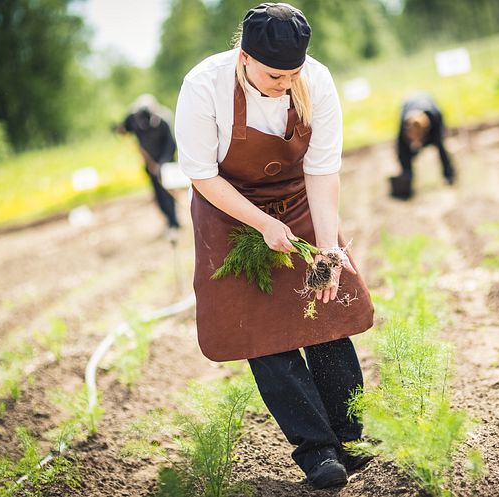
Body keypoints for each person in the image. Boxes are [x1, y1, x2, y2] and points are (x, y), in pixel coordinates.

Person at [175, 3, 374, 489]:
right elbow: (200, 173)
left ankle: (349, 439)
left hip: (301, 201)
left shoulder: (317, 81)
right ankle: (317, 450)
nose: (284, 83)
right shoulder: (204, 87)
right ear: (244, 57)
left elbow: (322, 166)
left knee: (325, 312)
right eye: (273, 75)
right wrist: (262, 223)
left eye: (292, 74)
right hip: (230, 213)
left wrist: (327, 245)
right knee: (262, 332)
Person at [114, 94, 180, 238]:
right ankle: (169, 221)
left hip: (165, 163)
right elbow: (124, 128)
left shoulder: (163, 120)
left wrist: (162, 164)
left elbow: (171, 145)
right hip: (150, 165)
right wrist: (119, 129)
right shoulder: (134, 118)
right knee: (158, 194)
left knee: (167, 193)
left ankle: (174, 222)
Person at [390, 92, 456, 199]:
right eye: (412, 136)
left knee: (441, 146)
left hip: (429, 105)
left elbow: (441, 146)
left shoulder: (435, 119)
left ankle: (449, 175)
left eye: (417, 136)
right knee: (405, 152)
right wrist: (406, 172)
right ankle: (408, 181)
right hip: (409, 103)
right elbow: (400, 152)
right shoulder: (404, 125)